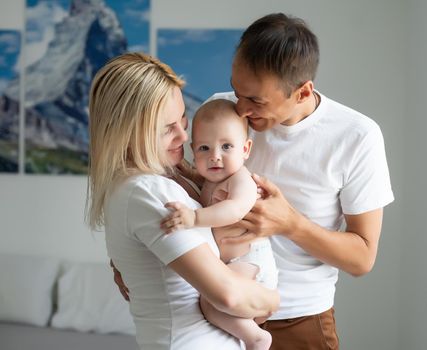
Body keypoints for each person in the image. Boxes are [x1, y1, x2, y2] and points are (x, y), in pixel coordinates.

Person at [115, 13, 394, 349]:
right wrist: (128, 253)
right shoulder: (222, 111)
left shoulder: (356, 137)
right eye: (237, 92)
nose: (242, 111)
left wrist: (290, 224)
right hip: (215, 317)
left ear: (303, 92)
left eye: (256, 101)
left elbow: (362, 258)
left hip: (300, 320)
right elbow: (179, 185)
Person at [87, 52, 279, 350]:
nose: (182, 136)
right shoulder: (147, 191)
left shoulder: (176, 178)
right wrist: (273, 300)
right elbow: (229, 295)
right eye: (167, 128)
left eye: (182, 120)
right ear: (126, 133)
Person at [160, 99, 278, 350]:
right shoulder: (212, 179)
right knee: (215, 301)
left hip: (249, 260)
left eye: (226, 146)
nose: (215, 156)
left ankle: (256, 337)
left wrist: (194, 218)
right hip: (233, 262)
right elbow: (198, 181)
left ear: (245, 149)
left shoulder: (241, 179)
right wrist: (179, 169)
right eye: (204, 148)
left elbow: (234, 210)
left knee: (212, 303)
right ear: (193, 151)